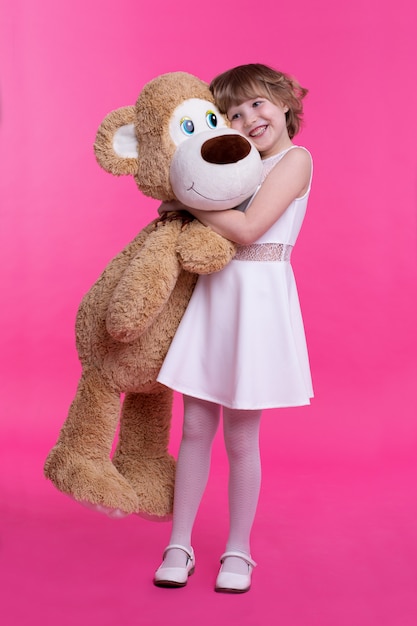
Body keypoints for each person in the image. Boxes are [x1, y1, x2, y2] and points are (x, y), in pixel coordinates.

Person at [153, 63, 313, 593]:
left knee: (242, 437)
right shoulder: (229, 166)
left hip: (259, 302)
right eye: (234, 114)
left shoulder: (295, 161)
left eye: (257, 104)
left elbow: (247, 230)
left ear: (285, 99)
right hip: (215, 297)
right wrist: (192, 193)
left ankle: (238, 552)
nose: (248, 119)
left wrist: (186, 201)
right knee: (195, 428)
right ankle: (180, 542)